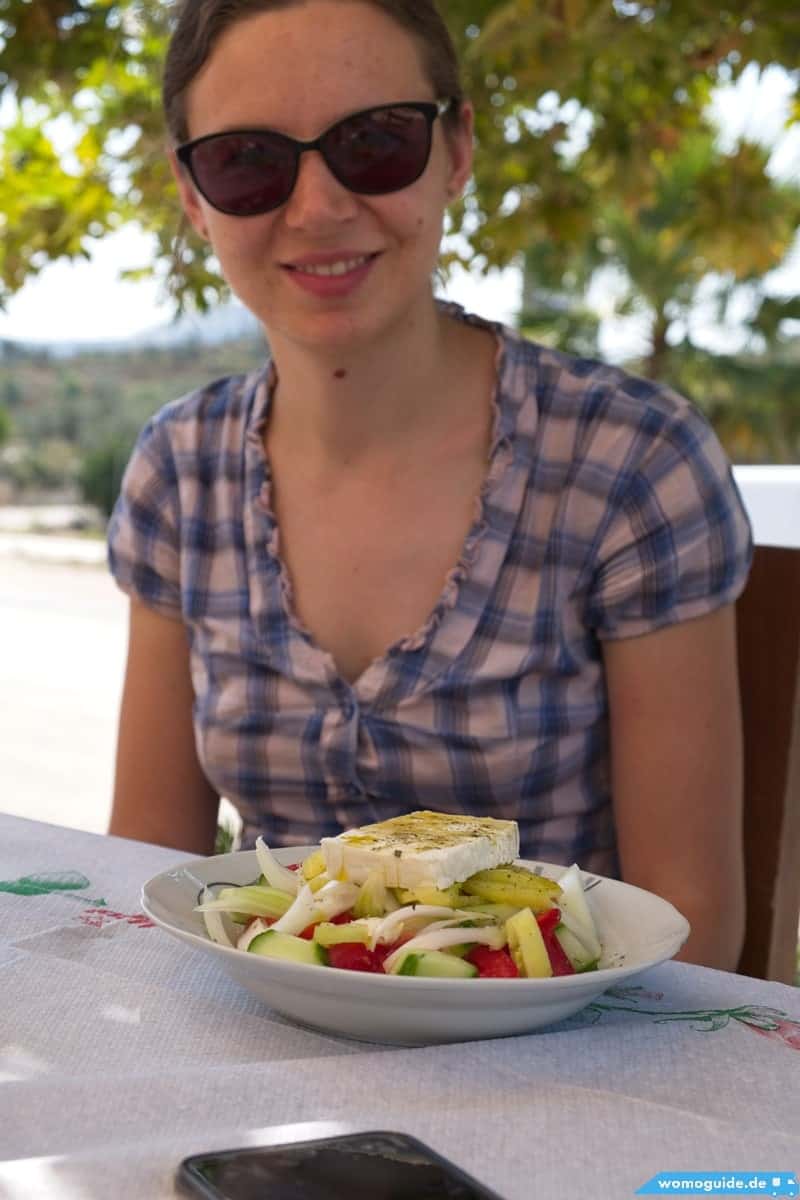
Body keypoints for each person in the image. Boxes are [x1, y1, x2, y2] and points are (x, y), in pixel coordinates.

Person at [107, 0, 752, 970]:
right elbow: (144, 869)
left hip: (561, 1065)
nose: (318, 206)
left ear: (455, 149)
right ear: (193, 195)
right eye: (248, 160)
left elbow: (689, 924)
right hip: (264, 1052)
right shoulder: (179, 470)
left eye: (374, 142)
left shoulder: (632, 465)